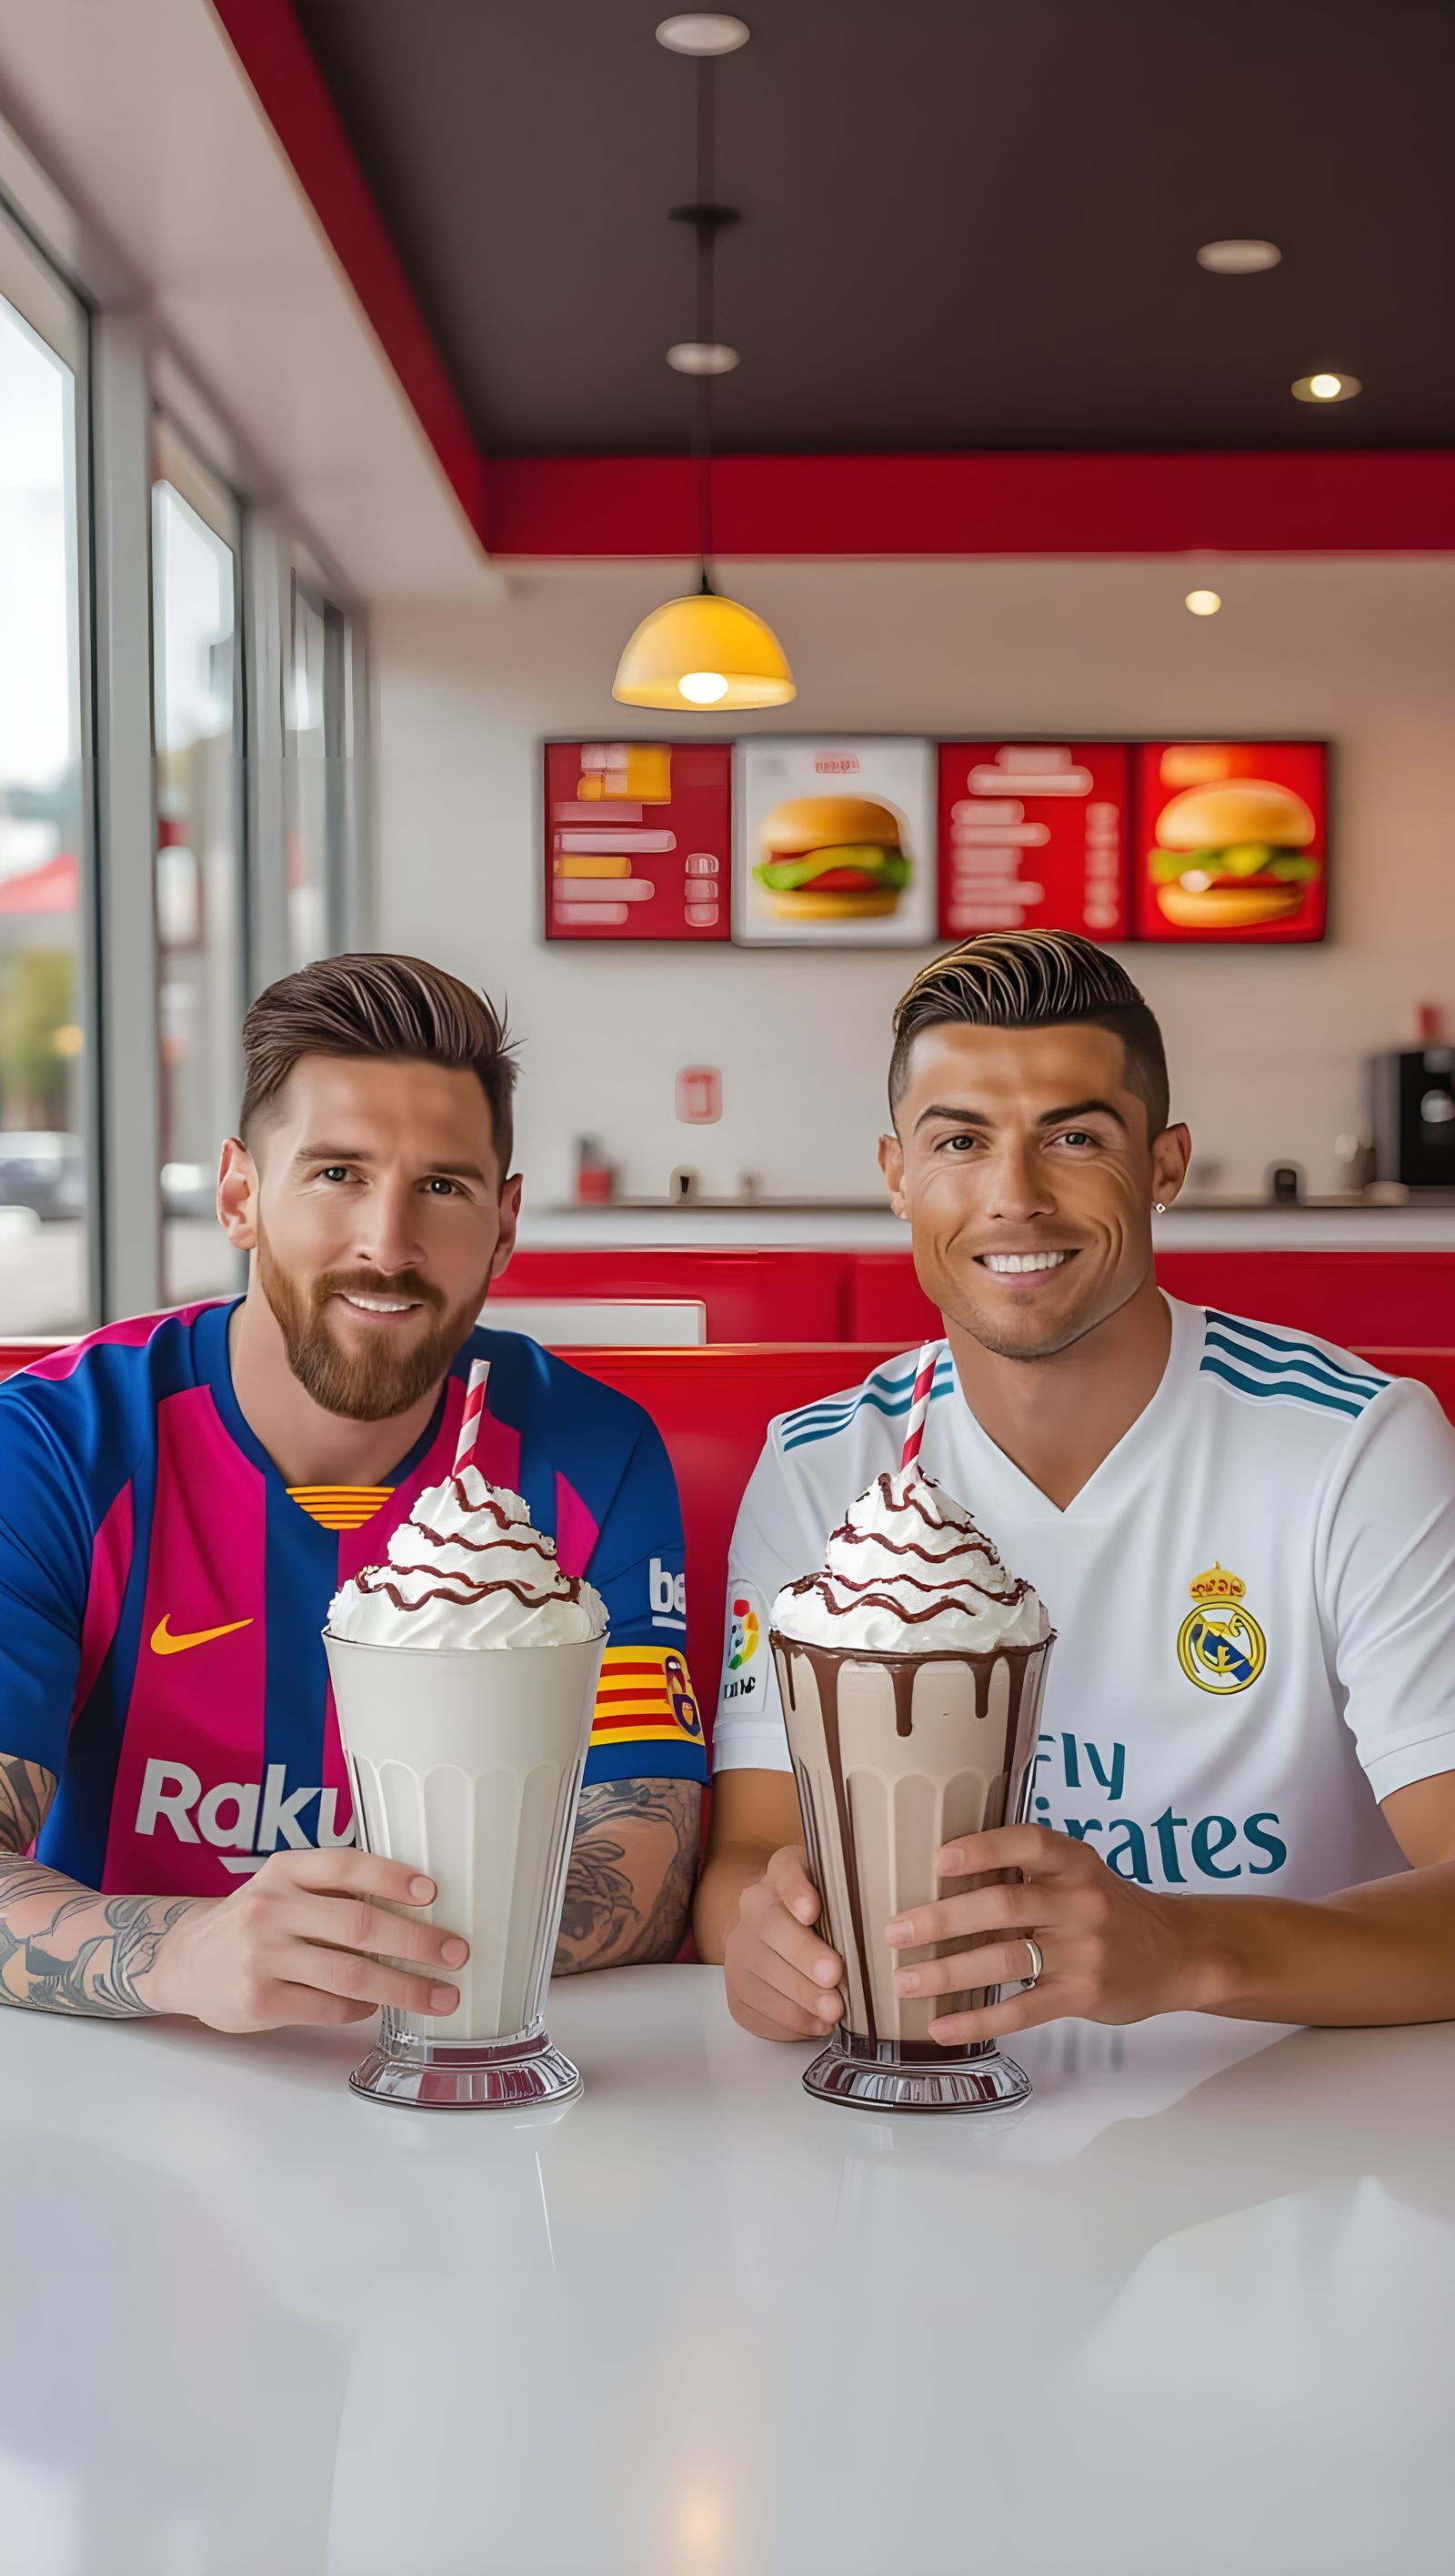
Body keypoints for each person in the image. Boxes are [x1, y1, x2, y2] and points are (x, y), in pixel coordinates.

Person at [695, 929, 1455, 2046]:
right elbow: (752, 1854)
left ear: (1164, 1164)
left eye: (1074, 1136)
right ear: (897, 1175)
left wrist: (1186, 1948)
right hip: (929, 2122)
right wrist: (764, 1940)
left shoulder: (1357, 1445)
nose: (1015, 1195)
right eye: (959, 1140)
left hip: (1297, 2129)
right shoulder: (820, 1465)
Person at [0, 955, 705, 2028]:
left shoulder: (590, 1453)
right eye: (336, 1173)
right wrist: (182, 1952)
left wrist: (366, 1955)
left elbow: (644, 1854)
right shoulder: (55, 1446)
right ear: (240, 1195)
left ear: (505, 1223)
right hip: (129, 2083)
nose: (388, 1243)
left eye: (442, 1186)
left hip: (477, 2079)